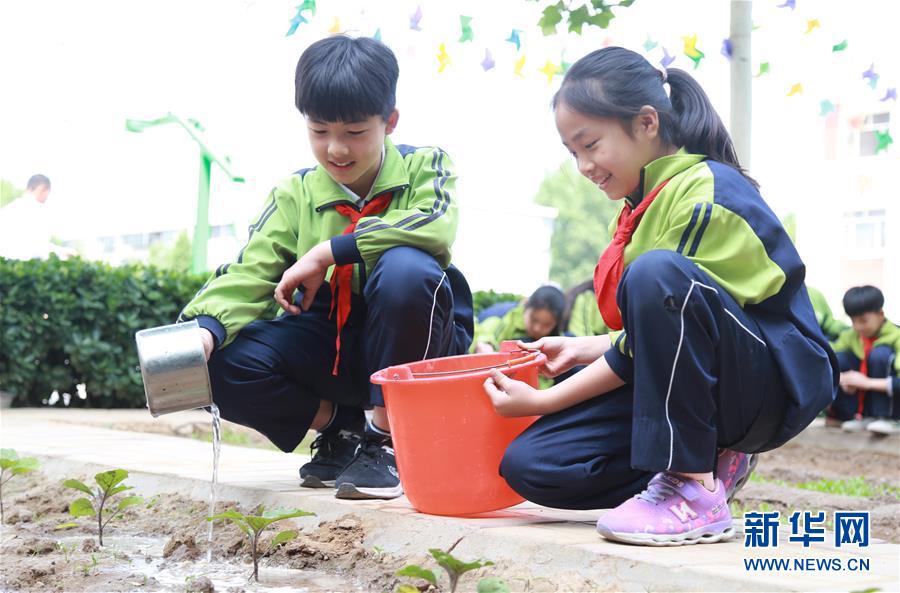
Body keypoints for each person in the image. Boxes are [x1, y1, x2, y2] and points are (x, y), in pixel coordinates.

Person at [482, 47, 837, 546]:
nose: (583, 165)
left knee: (656, 273)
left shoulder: (705, 192)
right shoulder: (640, 206)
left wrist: (544, 399)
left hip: (767, 386)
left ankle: (693, 488)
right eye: (572, 152)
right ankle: (704, 464)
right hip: (703, 379)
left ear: (647, 122)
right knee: (533, 464)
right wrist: (585, 348)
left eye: (590, 144)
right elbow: (662, 332)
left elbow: (674, 304)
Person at [178, 35, 473, 501]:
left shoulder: (426, 166)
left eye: (354, 132)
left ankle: (387, 439)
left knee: (405, 271)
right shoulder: (294, 194)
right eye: (319, 131)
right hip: (328, 340)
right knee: (214, 365)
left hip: (413, 336)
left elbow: (433, 227)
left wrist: (329, 252)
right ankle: (343, 427)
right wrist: (204, 329)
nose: (336, 149)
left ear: (390, 122)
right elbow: (252, 270)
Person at [827, 286, 900, 435]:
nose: (858, 327)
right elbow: (828, 353)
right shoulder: (852, 336)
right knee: (838, 359)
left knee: (880, 354)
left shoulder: (896, 336)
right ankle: (857, 416)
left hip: (893, 406)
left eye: (863, 321)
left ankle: (889, 419)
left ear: (881, 314)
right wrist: (844, 379)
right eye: (853, 321)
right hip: (864, 401)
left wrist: (866, 382)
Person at [471, 285, 566, 353]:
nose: (537, 328)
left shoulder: (558, 340)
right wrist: (482, 343)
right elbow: (477, 332)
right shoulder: (502, 317)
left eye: (546, 325)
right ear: (525, 304)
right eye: (534, 320)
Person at [0, 174, 72, 260]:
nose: (46, 198)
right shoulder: (38, 211)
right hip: (26, 265)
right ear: (42, 189)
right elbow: (39, 248)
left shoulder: (6, 210)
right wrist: (62, 252)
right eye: (47, 193)